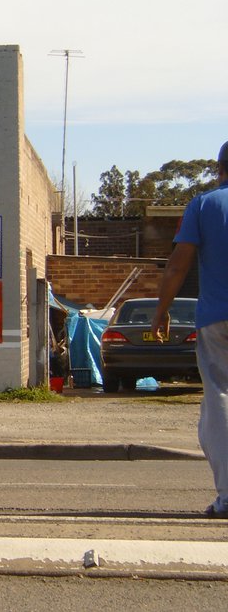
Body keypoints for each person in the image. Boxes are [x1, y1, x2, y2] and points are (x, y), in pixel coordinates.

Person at [150, 140, 228, 518]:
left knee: (220, 401)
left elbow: (177, 266)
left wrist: (161, 310)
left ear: (219, 169)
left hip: (216, 319)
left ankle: (227, 496)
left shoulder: (203, 205)